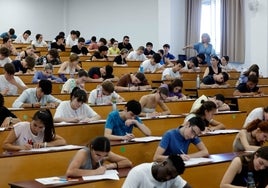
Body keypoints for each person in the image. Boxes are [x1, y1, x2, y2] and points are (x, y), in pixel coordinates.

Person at [2, 109, 66, 151]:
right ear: (32, 120)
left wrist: (44, 144)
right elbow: (5, 145)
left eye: (40, 127)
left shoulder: (45, 130)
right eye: (35, 125)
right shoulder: (21, 126)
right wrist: (21, 147)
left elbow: (62, 141)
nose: (36, 129)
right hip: (16, 158)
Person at [66, 136, 132, 177]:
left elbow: (128, 162)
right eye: (98, 155)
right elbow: (70, 172)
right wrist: (96, 172)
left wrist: (108, 166)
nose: (101, 158)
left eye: (104, 156)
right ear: (92, 148)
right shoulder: (83, 153)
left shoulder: (105, 153)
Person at [122, 155, 192, 188]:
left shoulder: (173, 175)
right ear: (164, 163)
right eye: (168, 173)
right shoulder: (138, 172)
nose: (167, 178)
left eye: (171, 177)